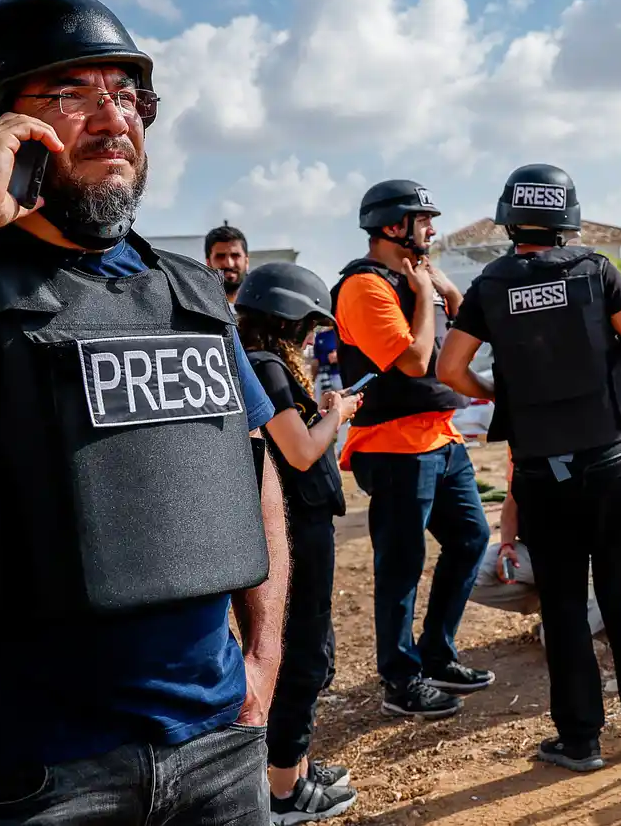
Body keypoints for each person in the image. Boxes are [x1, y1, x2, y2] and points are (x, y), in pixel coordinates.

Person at [0, 0, 288, 825]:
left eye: (126, 95)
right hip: (27, 774)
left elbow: (249, 473)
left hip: (218, 746)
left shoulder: (192, 293)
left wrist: (262, 658)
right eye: (71, 95)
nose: (113, 118)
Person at [437, 163, 621, 774]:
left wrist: (497, 394)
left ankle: (579, 739)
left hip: (540, 470)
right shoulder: (596, 271)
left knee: (564, 604)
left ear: (509, 217)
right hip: (611, 458)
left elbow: (449, 369)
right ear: (568, 218)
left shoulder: (491, 284)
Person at [331, 180, 492, 720]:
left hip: (440, 439)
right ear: (393, 225)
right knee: (401, 565)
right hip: (393, 446)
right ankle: (400, 679)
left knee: (471, 539)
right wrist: (425, 294)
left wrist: (442, 286)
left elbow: (468, 322)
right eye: (423, 219)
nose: (432, 228)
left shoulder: (413, 275)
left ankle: (437, 654)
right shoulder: (363, 287)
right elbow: (414, 360)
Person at [235, 263, 362, 822]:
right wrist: (338, 415)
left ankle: (296, 767)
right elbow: (303, 451)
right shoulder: (267, 367)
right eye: (308, 324)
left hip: (289, 526)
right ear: (286, 319)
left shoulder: (249, 361)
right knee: (302, 655)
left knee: (311, 648)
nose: (312, 335)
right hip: (296, 531)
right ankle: (284, 790)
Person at [207, 224, 250, 306]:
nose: (229, 264)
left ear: (246, 261)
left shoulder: (263, 309)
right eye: (220, 256)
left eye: (235, 255)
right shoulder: (197, 309)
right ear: (208, 263)